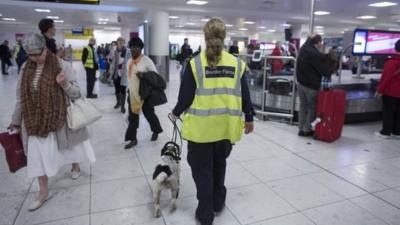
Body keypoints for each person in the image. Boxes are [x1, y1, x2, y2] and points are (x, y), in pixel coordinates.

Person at [170, 18, 255, 225]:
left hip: (201, 132)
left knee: (202, 172)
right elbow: (245, 94)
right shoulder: (236, 63)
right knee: (219, 166)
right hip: (226, 129)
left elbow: (186, 97)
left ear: (205, 37)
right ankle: (218, 203)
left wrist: (175, 112)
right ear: (223, 38)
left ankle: (206, 213)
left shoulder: (195, 64)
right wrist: (249, 117)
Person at [9, 33, 96, 211]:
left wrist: (64, 84)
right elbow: (20, 98)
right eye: (30, 55)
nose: (33, 58)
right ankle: (43, 192)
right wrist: (15, 121)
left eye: (37, 54)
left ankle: (75, 165)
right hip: (33, 122)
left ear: (45, 49)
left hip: (57, 119)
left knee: (70, 148)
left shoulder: (62, 65)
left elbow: (78, 94)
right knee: (38, 157)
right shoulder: (25, 68)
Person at [124, 37, 163, 149]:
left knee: (149, 114)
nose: (133, 49)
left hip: (145, 93)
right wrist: (128, 89)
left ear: (141, 48)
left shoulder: (146, 60)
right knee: (133, 117)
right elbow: (129, 78)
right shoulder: (129, 62)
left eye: (136, 47)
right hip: (133, 93)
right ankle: (133, 139)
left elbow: (156, 76)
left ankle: (156, 130)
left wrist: (144, 76)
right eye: (131, 47)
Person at [296, 34, 331, 137]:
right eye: (321, 42)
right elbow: (324, 70)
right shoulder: (315, 53)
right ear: (318, 42)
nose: (321, 45)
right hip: (311, 85)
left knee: (303, 106)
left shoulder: (303, 48)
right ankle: (307, 129)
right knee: (311, 107)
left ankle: (300, 128)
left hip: (300, 83)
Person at [375, 39, 400, 139]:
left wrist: (380, 90)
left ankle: (386, 132)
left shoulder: (392, 62)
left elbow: (386, 78)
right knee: (399, 112)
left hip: (391, 91)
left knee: (388, 111)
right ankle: (397, 132)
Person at [110, 37, 130, 113]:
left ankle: (122, 106)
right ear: (117, 42)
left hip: (124, 73)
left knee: (123, 90)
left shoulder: (128, 51)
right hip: (115, 73)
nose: (120, 43)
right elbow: (111, 60)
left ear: (124, 42)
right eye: (119, 41)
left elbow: (130, 61)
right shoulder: (114, 51)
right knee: (117, 89)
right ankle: (118, 102)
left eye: (122, 41)